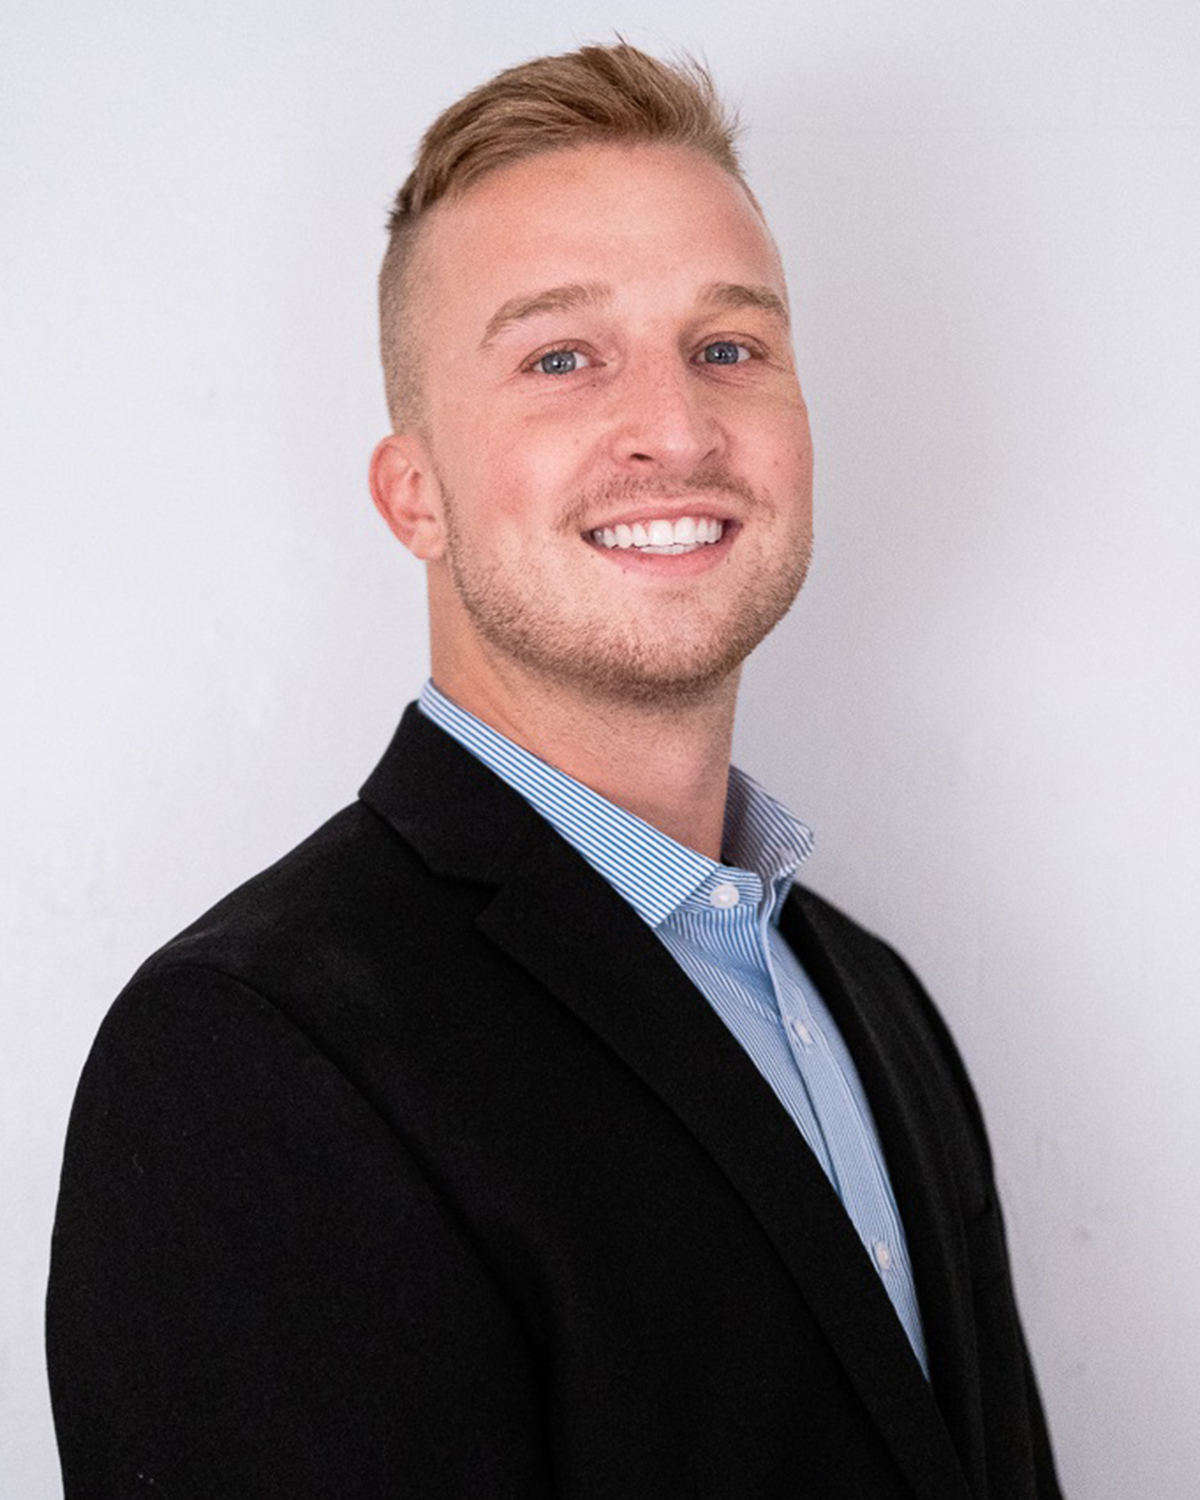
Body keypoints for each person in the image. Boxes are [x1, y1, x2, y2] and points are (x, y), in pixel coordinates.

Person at [47, 43, 1061, 1499]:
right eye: (561, 359)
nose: (676, 428)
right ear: (415, 496)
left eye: (730, 347)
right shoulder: (250, 1054)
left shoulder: (874, 1003)